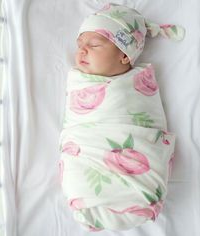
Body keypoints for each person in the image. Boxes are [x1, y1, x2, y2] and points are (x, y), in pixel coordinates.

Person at [59, 3, 185, 232]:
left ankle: (137, 198)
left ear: (124, 55)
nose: (82, 51)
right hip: (87, 147)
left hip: (138, 154)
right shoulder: (79, 82)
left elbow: (150, 121)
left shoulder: (140, 82)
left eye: (94, 44)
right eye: (80, 45)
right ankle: (88, 199)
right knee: (78, 177)